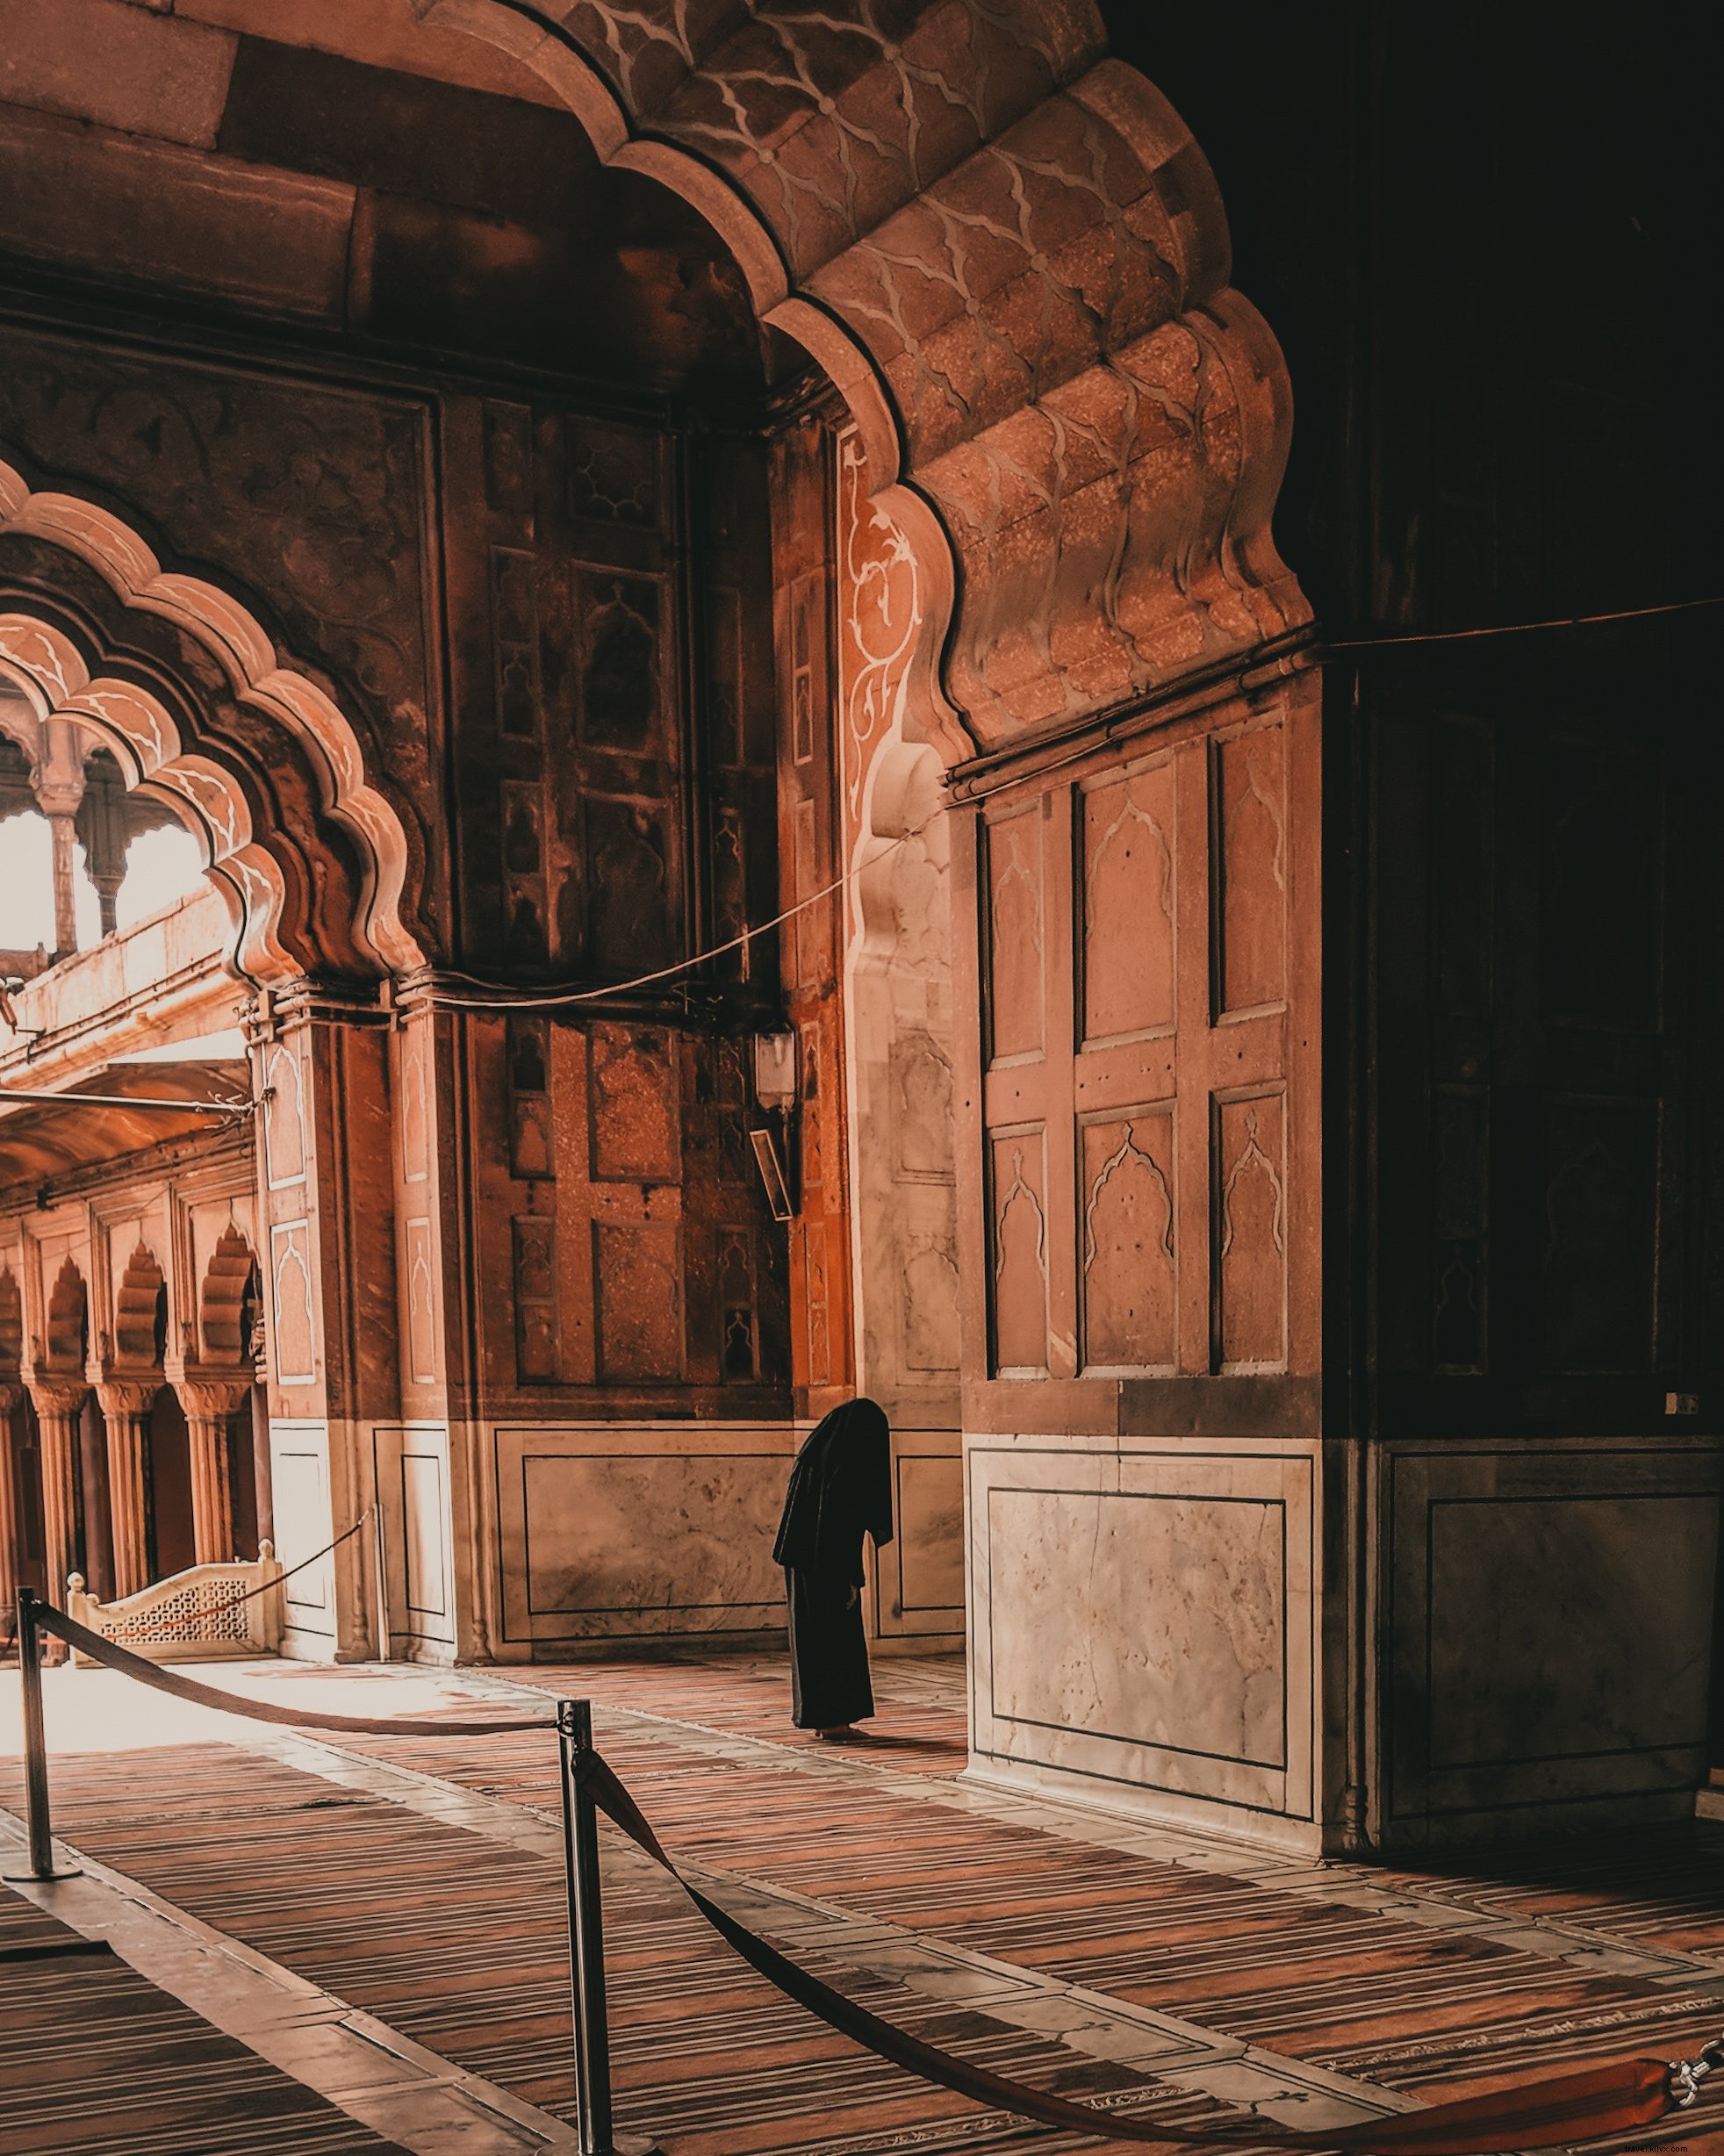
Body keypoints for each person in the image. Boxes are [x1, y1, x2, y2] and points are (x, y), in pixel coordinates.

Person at [772, 1397, 894, 1738]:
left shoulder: (814, 1457)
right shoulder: (843, 1471)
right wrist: (850, 1579)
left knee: (813, 1641)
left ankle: (825, 1719)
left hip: (802, 1563)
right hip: (826, 1568)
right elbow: (840, 1531)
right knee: (833, 1641)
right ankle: (835, 1722)